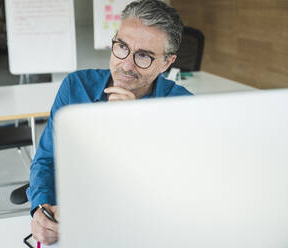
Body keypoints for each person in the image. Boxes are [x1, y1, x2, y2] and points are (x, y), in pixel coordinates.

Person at [27, 0, 191, 245]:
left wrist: (126, 128)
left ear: (166, 63)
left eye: (144, 56)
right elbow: (48, 158)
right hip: (78, 219)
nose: (126, 65)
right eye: (121, 47)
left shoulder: (183, 107)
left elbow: (175, 187)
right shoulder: (76, 87)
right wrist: (42, 208)